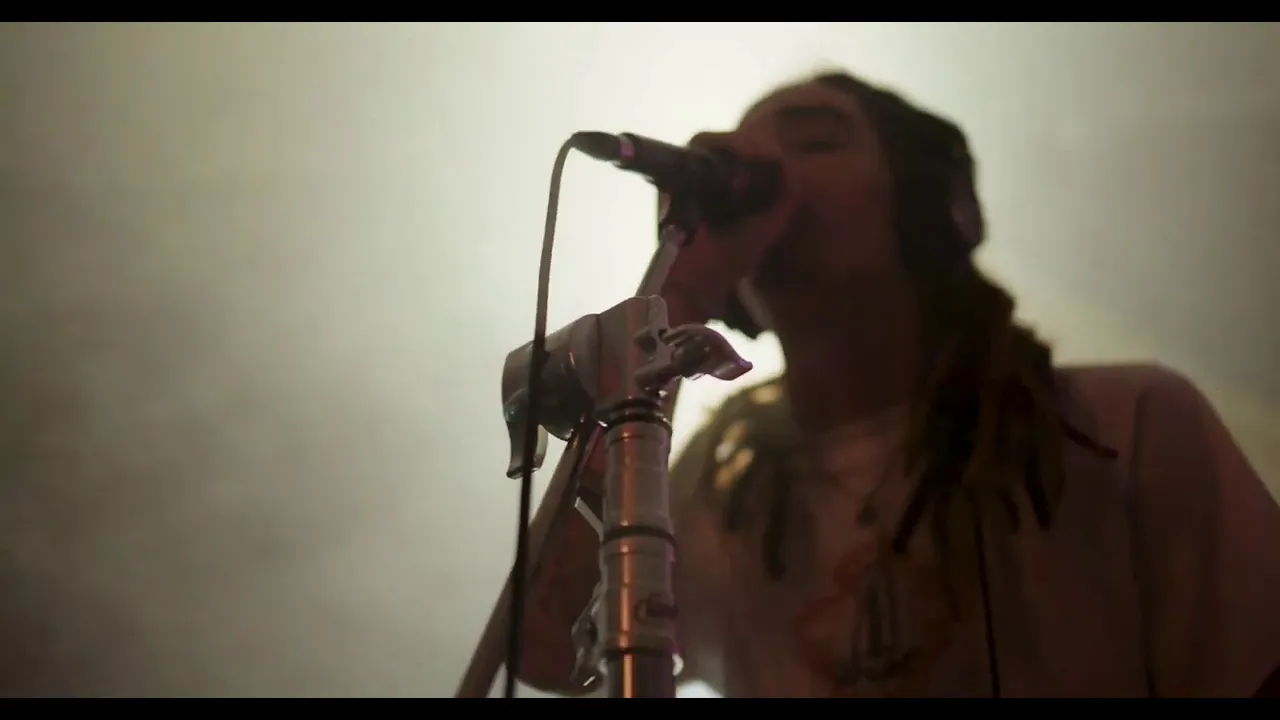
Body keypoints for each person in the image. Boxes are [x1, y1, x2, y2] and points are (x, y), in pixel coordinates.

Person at [517, 70, 1280, 698]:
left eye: (817, 141)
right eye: (750, 156)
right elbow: (550, 651)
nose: (769, 176)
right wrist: (680, 295)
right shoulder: (715, 497)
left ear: (928, 207)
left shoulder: (1127, 425)